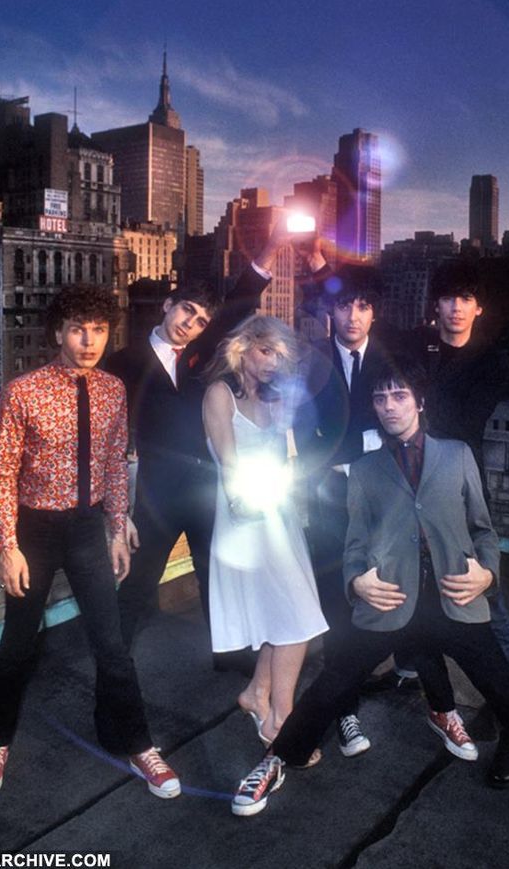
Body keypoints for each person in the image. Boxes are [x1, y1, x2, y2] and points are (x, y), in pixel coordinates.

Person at [230, 361, 509, 869]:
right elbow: (354, 542)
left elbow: (484, 529)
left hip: (455, 601)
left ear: (419, 403)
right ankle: (276, 761)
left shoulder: (456, 456)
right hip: (388, 602)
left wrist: (488, 573)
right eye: (381, 398)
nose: (390, 405)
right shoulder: (366, 470)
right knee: (330, 685)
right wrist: (355, 581)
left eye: (400, 395)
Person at [0, 284, 180, 802]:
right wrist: (8, 546)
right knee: (17, 646)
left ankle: (138, 743)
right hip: (34, 530)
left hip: (86, 529)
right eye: (78, 329)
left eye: (99, 329)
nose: (90, 340)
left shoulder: (112, 389)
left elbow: (113, 464)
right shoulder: (24, 391)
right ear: (58, 333)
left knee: (111, 646)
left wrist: (116, 525)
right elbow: (0, 475)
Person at [106, 225, 287, 649]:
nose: (191, 323)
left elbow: (240, 303)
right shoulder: (124, 361)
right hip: (155, 493)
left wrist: (273, 246)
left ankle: (230, 655)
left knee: (216, 576)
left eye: (201, 320)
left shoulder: (201, 354)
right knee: (138, 580)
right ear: (169, 305)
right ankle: (113, 657)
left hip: (207, 487)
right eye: (187, 310)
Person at [399, 259, 509, 785]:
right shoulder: (416, 350)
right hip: (410, 494)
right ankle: (440, 704)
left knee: (488, 613)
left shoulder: (492, 360)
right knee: (420, 604)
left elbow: (456, 422)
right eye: (446, 297)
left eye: (464, 298)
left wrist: (415, 396)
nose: (454, 307)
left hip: (462, 501)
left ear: (478, 307)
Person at [203, 315, 327, 748]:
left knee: (287, 616)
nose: (273, 362)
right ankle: (281, 716)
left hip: (280, 515)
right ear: (242, 348)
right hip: (246, 520)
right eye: (264, 350)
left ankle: (257, 693)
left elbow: (287, 458)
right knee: (297, 618)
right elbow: (230, 467)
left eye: (279, 354)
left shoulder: (276, 401)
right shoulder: (220, 395)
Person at [295, 259, 393, 760]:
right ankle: (345, 710)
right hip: (329, 502)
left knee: (377, 600)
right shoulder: (312, 363)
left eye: (363, 305)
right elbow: (300, 431)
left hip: (381, 502)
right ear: (329, 310)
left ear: (374, 312)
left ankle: (426, 696)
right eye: (343, 305)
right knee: (337, 604)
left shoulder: (391, 361)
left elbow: (404, 426)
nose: (353, 316)